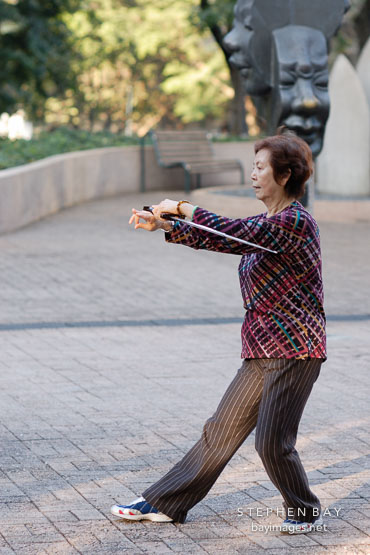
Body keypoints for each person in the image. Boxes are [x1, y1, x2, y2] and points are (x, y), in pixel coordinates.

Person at [111, 132, 326, 535]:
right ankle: (166, 502)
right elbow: (224, 238)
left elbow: (231, 230)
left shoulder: (296, 222)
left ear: (284, 175)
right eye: (254, 165)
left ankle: (304, 510)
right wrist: (165, 224)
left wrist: (181, 205)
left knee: (271, 443)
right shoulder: (267, 223)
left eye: (261, 167)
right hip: (262, 347)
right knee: (220, 430)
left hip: (296, 348)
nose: (253, 174)